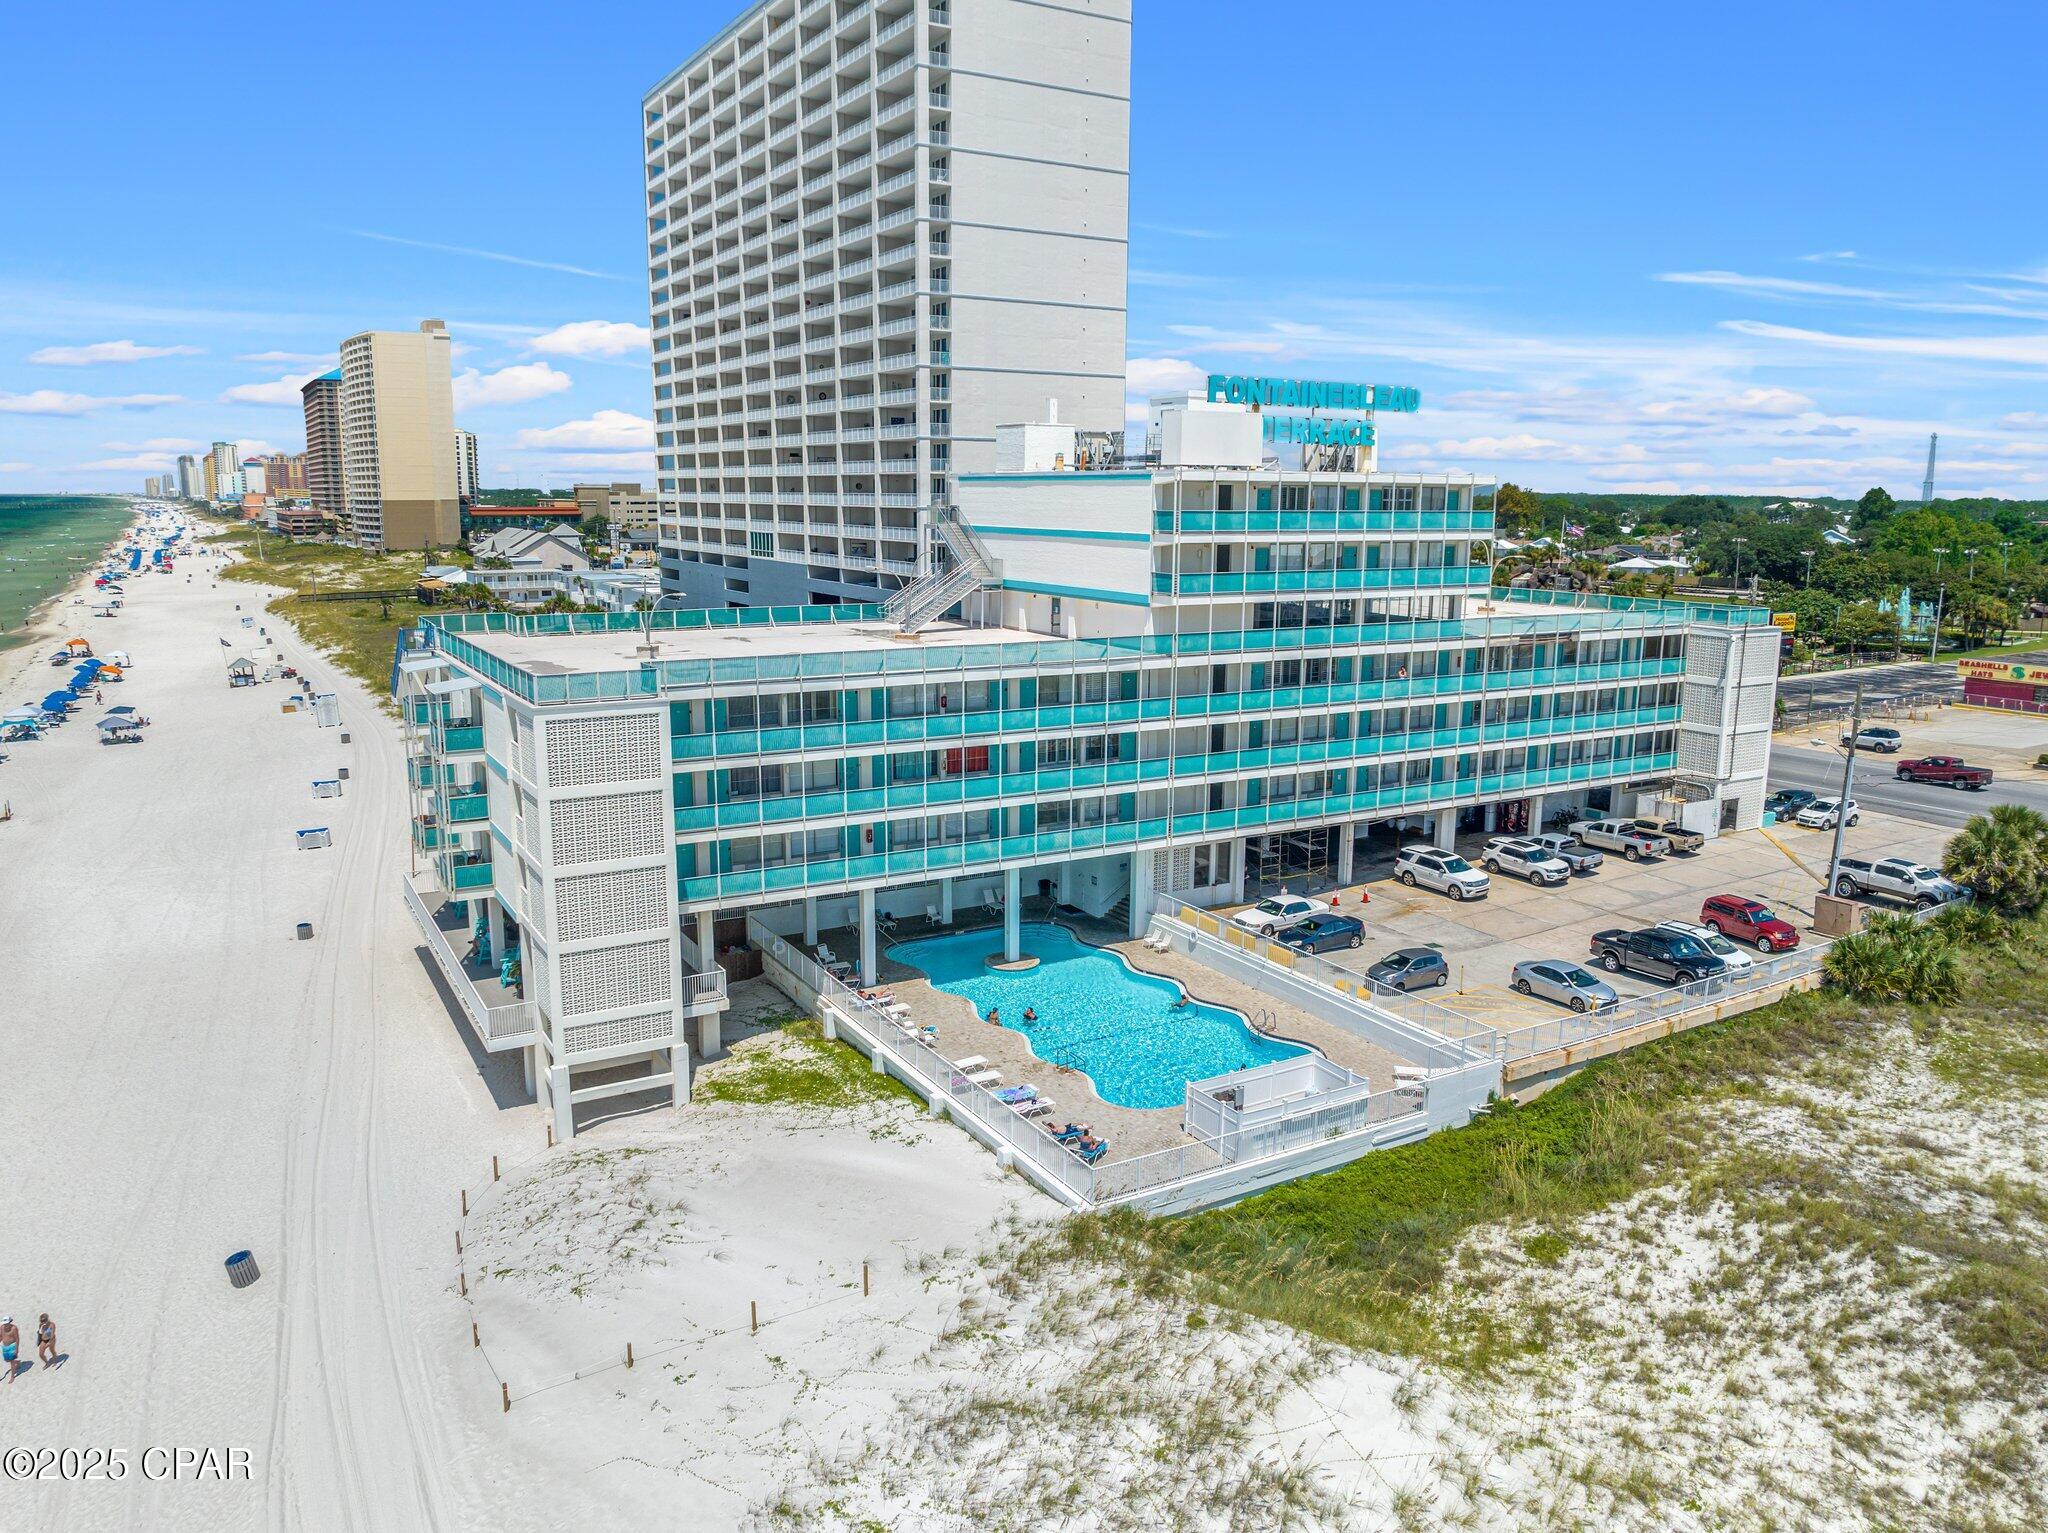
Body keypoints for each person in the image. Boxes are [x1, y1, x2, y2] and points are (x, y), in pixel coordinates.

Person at [0, 1317, 17, 1383]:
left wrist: (17, 1349)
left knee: (11, 1361)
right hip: (5, 1346)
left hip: (12, 1346)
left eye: (7, 1323)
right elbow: (1, 1336)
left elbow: (17, 1339)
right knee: (7, 1360)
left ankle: (12, 1376)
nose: (5, 1325)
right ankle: (17, 1363)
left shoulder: (14, 1328)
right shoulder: (2, 1327)